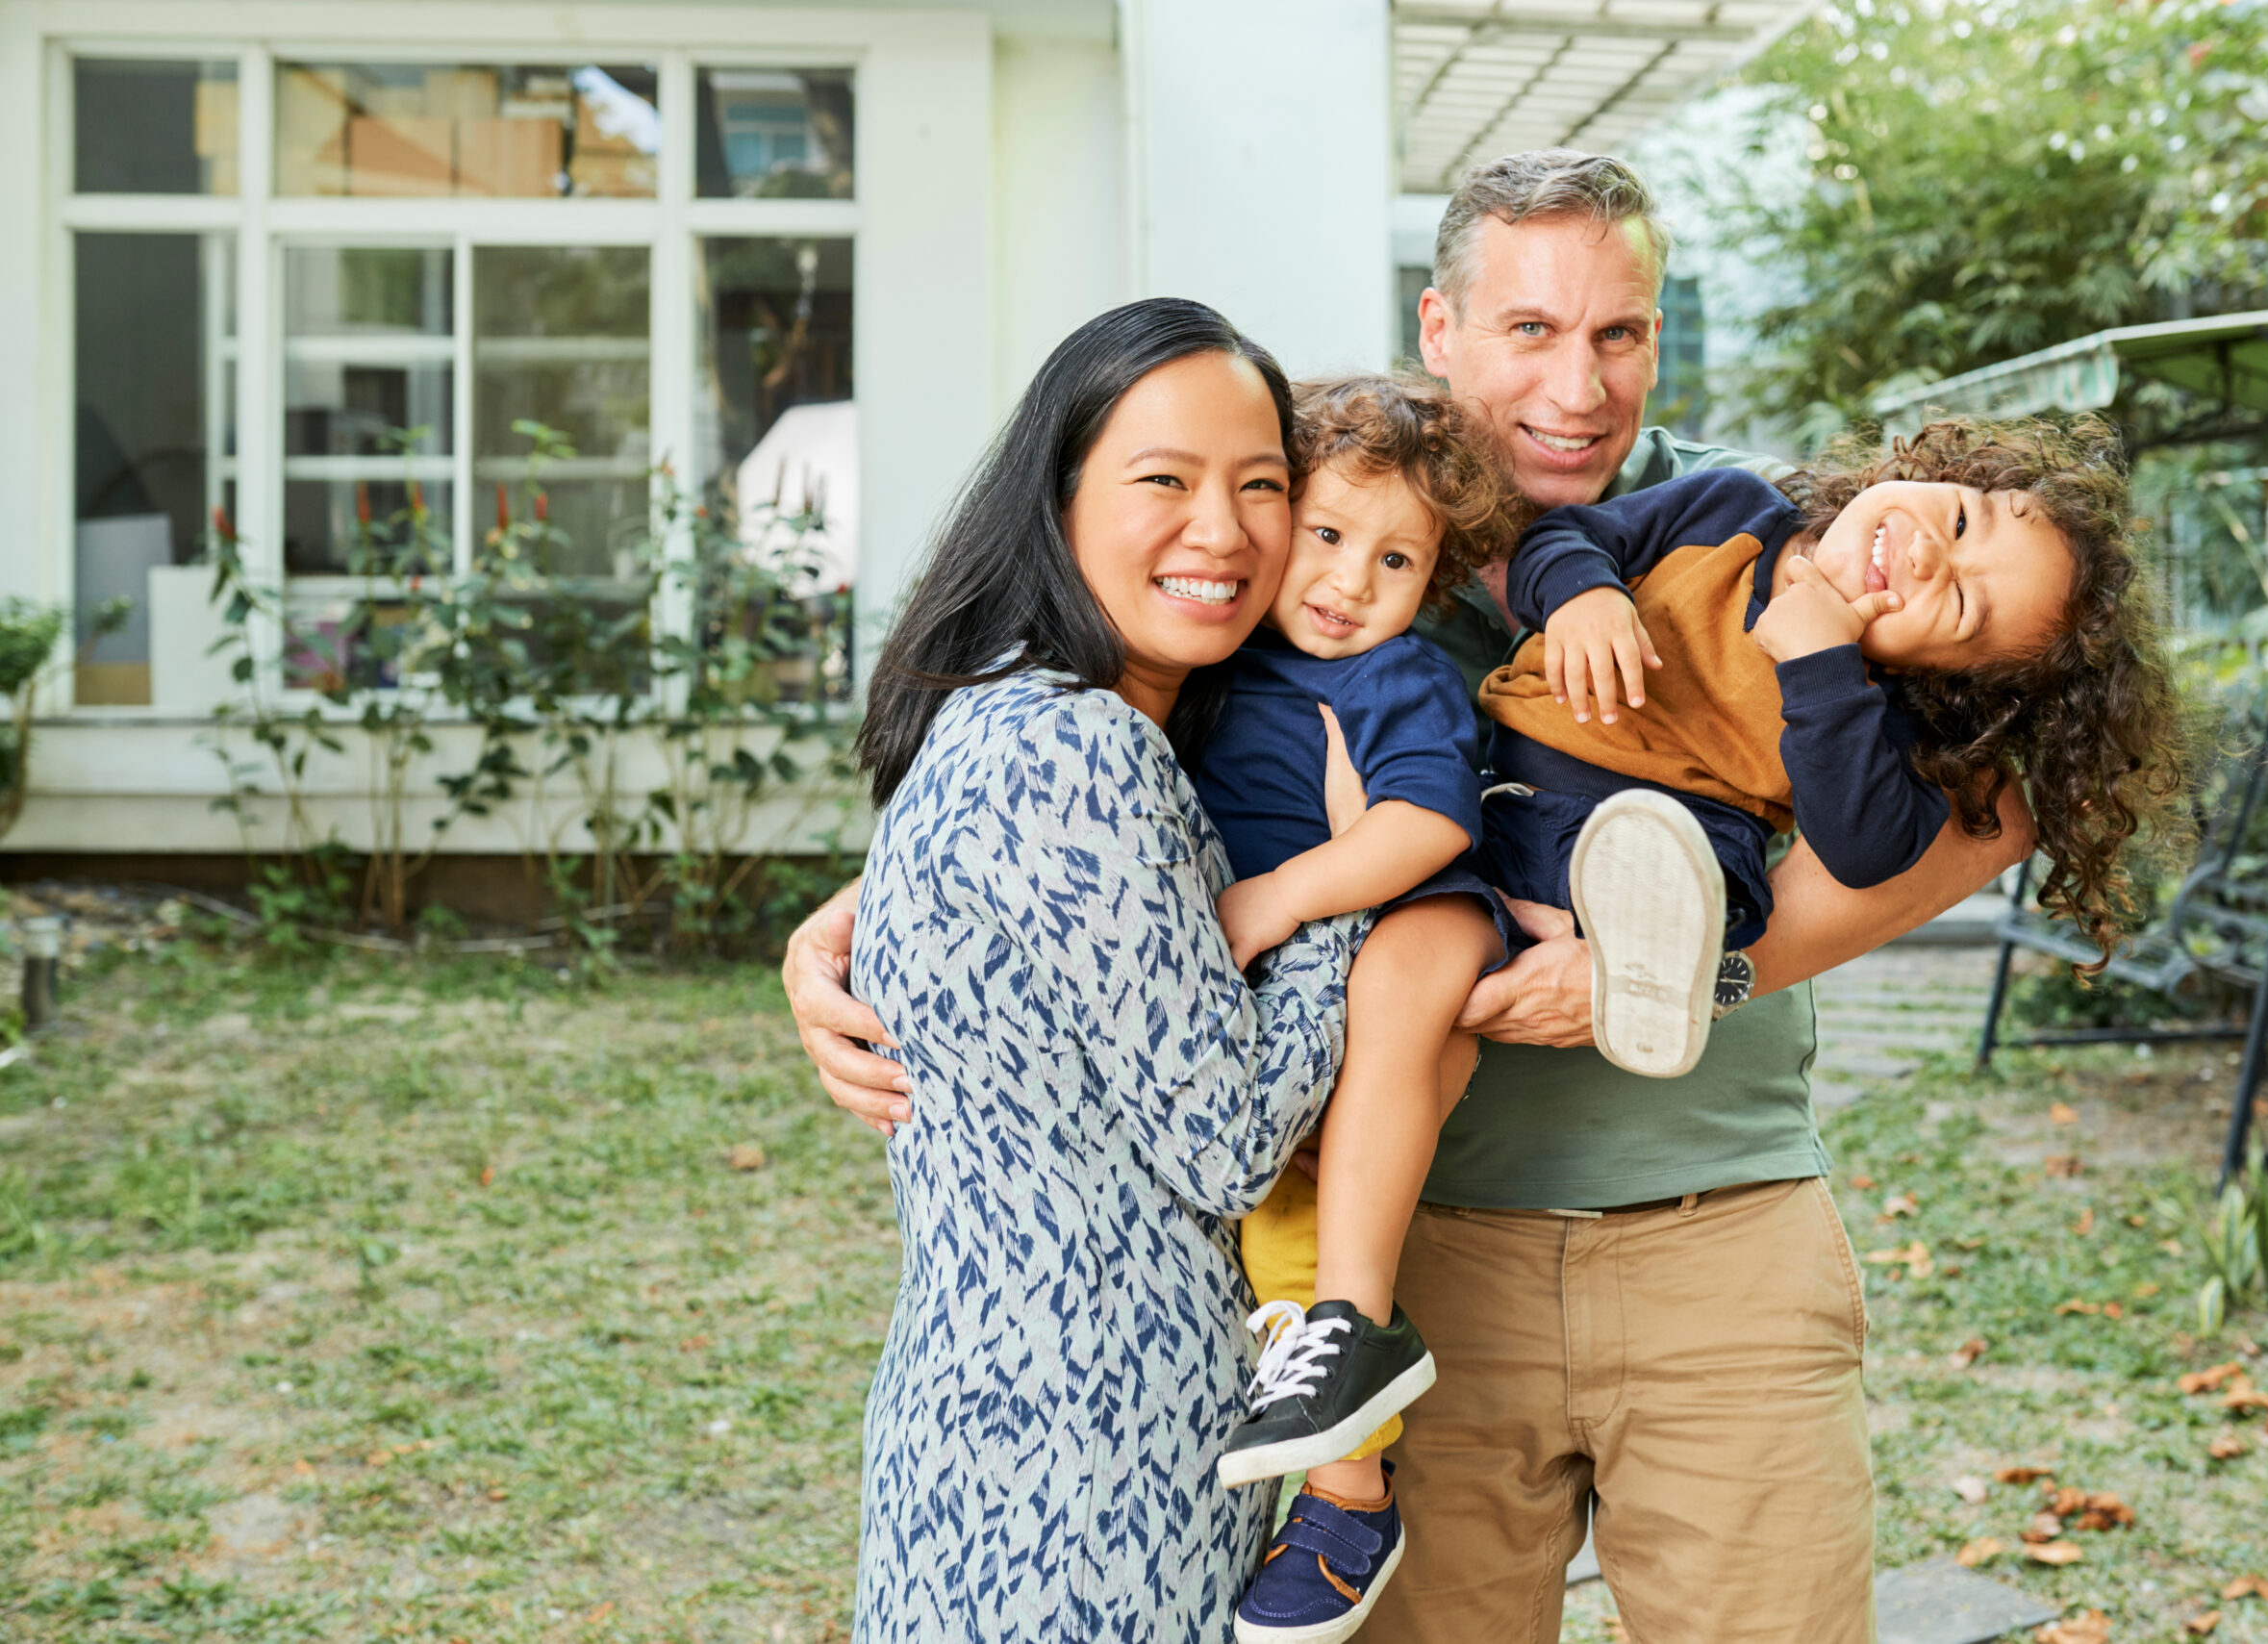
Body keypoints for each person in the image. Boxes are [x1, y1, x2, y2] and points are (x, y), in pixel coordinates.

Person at [789, 151, 2039, 1642]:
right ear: (1438, 330)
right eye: (1532, 331)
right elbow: (1112, 778)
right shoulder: (1327, 527)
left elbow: (1993, 810)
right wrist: (856, 918)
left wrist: (1694, 970)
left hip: (1715, 1229)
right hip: (1420, 1259)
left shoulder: (1744, 537)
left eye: (1620, 333)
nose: (1579, 385)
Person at [844, 297, 1371, 1641]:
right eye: (1164, 480)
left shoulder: (1006, 715)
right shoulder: (1081, 749)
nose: (1225, 528)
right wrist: (1346, 885)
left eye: (1264, 486)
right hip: (1093, 1446)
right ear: (1057, 499)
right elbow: (1231, 1139)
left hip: (992, 1418)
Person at [1475, 418, 2185, 1073]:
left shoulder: (1878, 710)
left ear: (1950, 681)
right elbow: (1561, 537)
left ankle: (1648, 975)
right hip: (1512, 785)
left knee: (1721, 884)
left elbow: (1864, 852)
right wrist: (1583, 595)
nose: (1933, 554)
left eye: (1963, 605)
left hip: (1672, 840)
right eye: (1964, 517)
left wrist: (1821, 664)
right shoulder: (1730, 508)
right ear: (1949, 473)